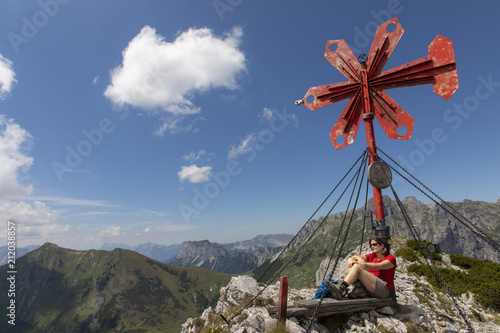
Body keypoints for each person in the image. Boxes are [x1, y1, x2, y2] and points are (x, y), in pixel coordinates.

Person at [326, 236, 397, 299]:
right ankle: (359, 287)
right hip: (370, 286)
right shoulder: (371, 256)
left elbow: (378, 266)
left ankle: (342, 288)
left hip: (383, 289)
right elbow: (352, 258)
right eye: (371, 245)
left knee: (357, 266)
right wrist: (359, 259)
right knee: (350, 260)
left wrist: (362, 263)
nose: (372, 247)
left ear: (382, 246)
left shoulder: (390, 258)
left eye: (375, 244)